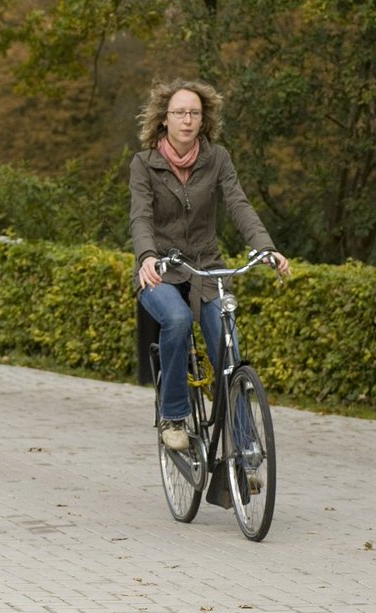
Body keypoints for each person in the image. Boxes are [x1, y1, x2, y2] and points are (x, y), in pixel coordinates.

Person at [130, 78, 290, 451]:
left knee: (228, 345)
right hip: (162, 270)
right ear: (164, 119)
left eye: (194, 113)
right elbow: (140, 217)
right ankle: (173, 415)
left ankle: (245, 447)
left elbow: (239, 205)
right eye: (180, 112)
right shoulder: (143, 164)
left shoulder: (217, 159)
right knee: (177, 320)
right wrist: (147, 257)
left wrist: (266, 248)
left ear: (204, 121)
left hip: (207, 269)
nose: (187, 120)